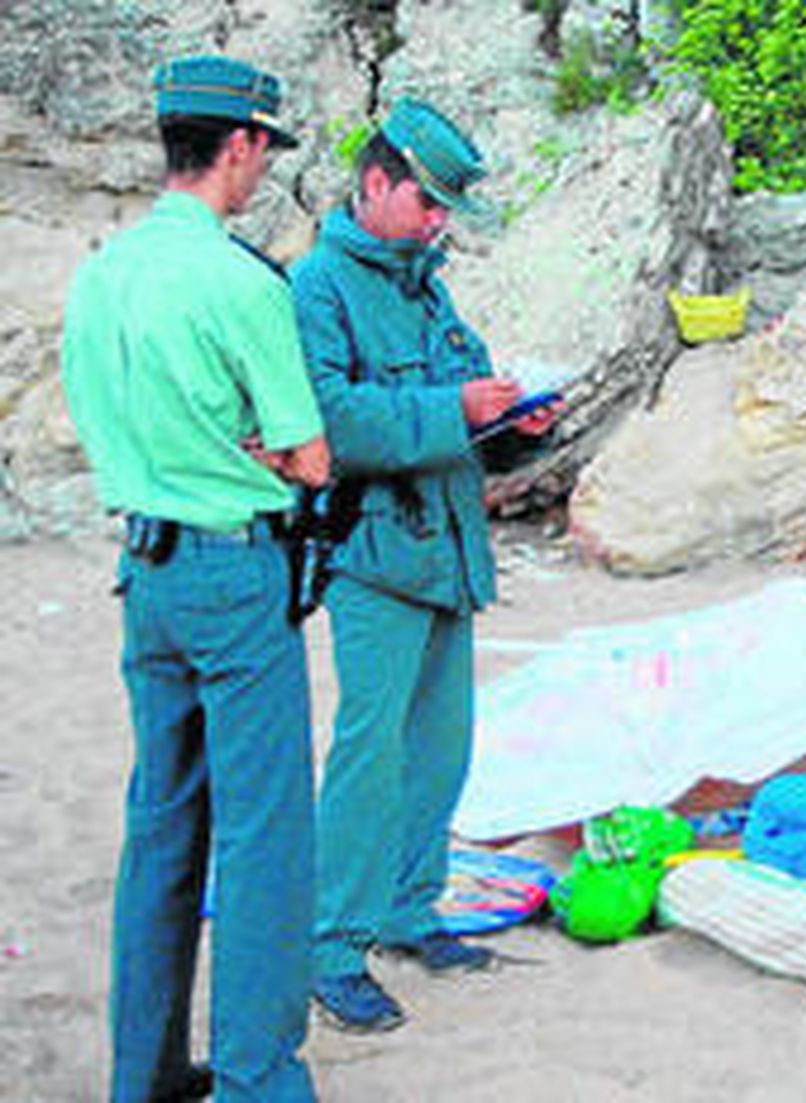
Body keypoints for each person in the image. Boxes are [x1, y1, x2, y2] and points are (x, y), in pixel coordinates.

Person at [60, 55, 329, 1102]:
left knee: (161, 823)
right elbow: (309, 457)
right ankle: (262, 1076)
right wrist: (257, 452)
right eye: (264, 149)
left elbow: (100, 423)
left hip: (147, 565)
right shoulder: (237, 279)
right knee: (265, 835)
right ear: (244, 145)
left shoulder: (104, 273)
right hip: (230, 570)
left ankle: (147, 1073)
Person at [290, 97, 557, 1032]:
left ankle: (409, 913)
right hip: (372, 561)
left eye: (447, 208)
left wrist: (515, 429)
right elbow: (329, 421)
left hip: (446, 554)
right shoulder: (318, 287)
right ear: (375, 184)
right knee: (368, 758)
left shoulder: (427, 286)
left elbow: (468, 414)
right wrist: (457, 410)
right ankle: (331, 947)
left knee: (440, 751)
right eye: (429, 203)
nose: (439, 221)